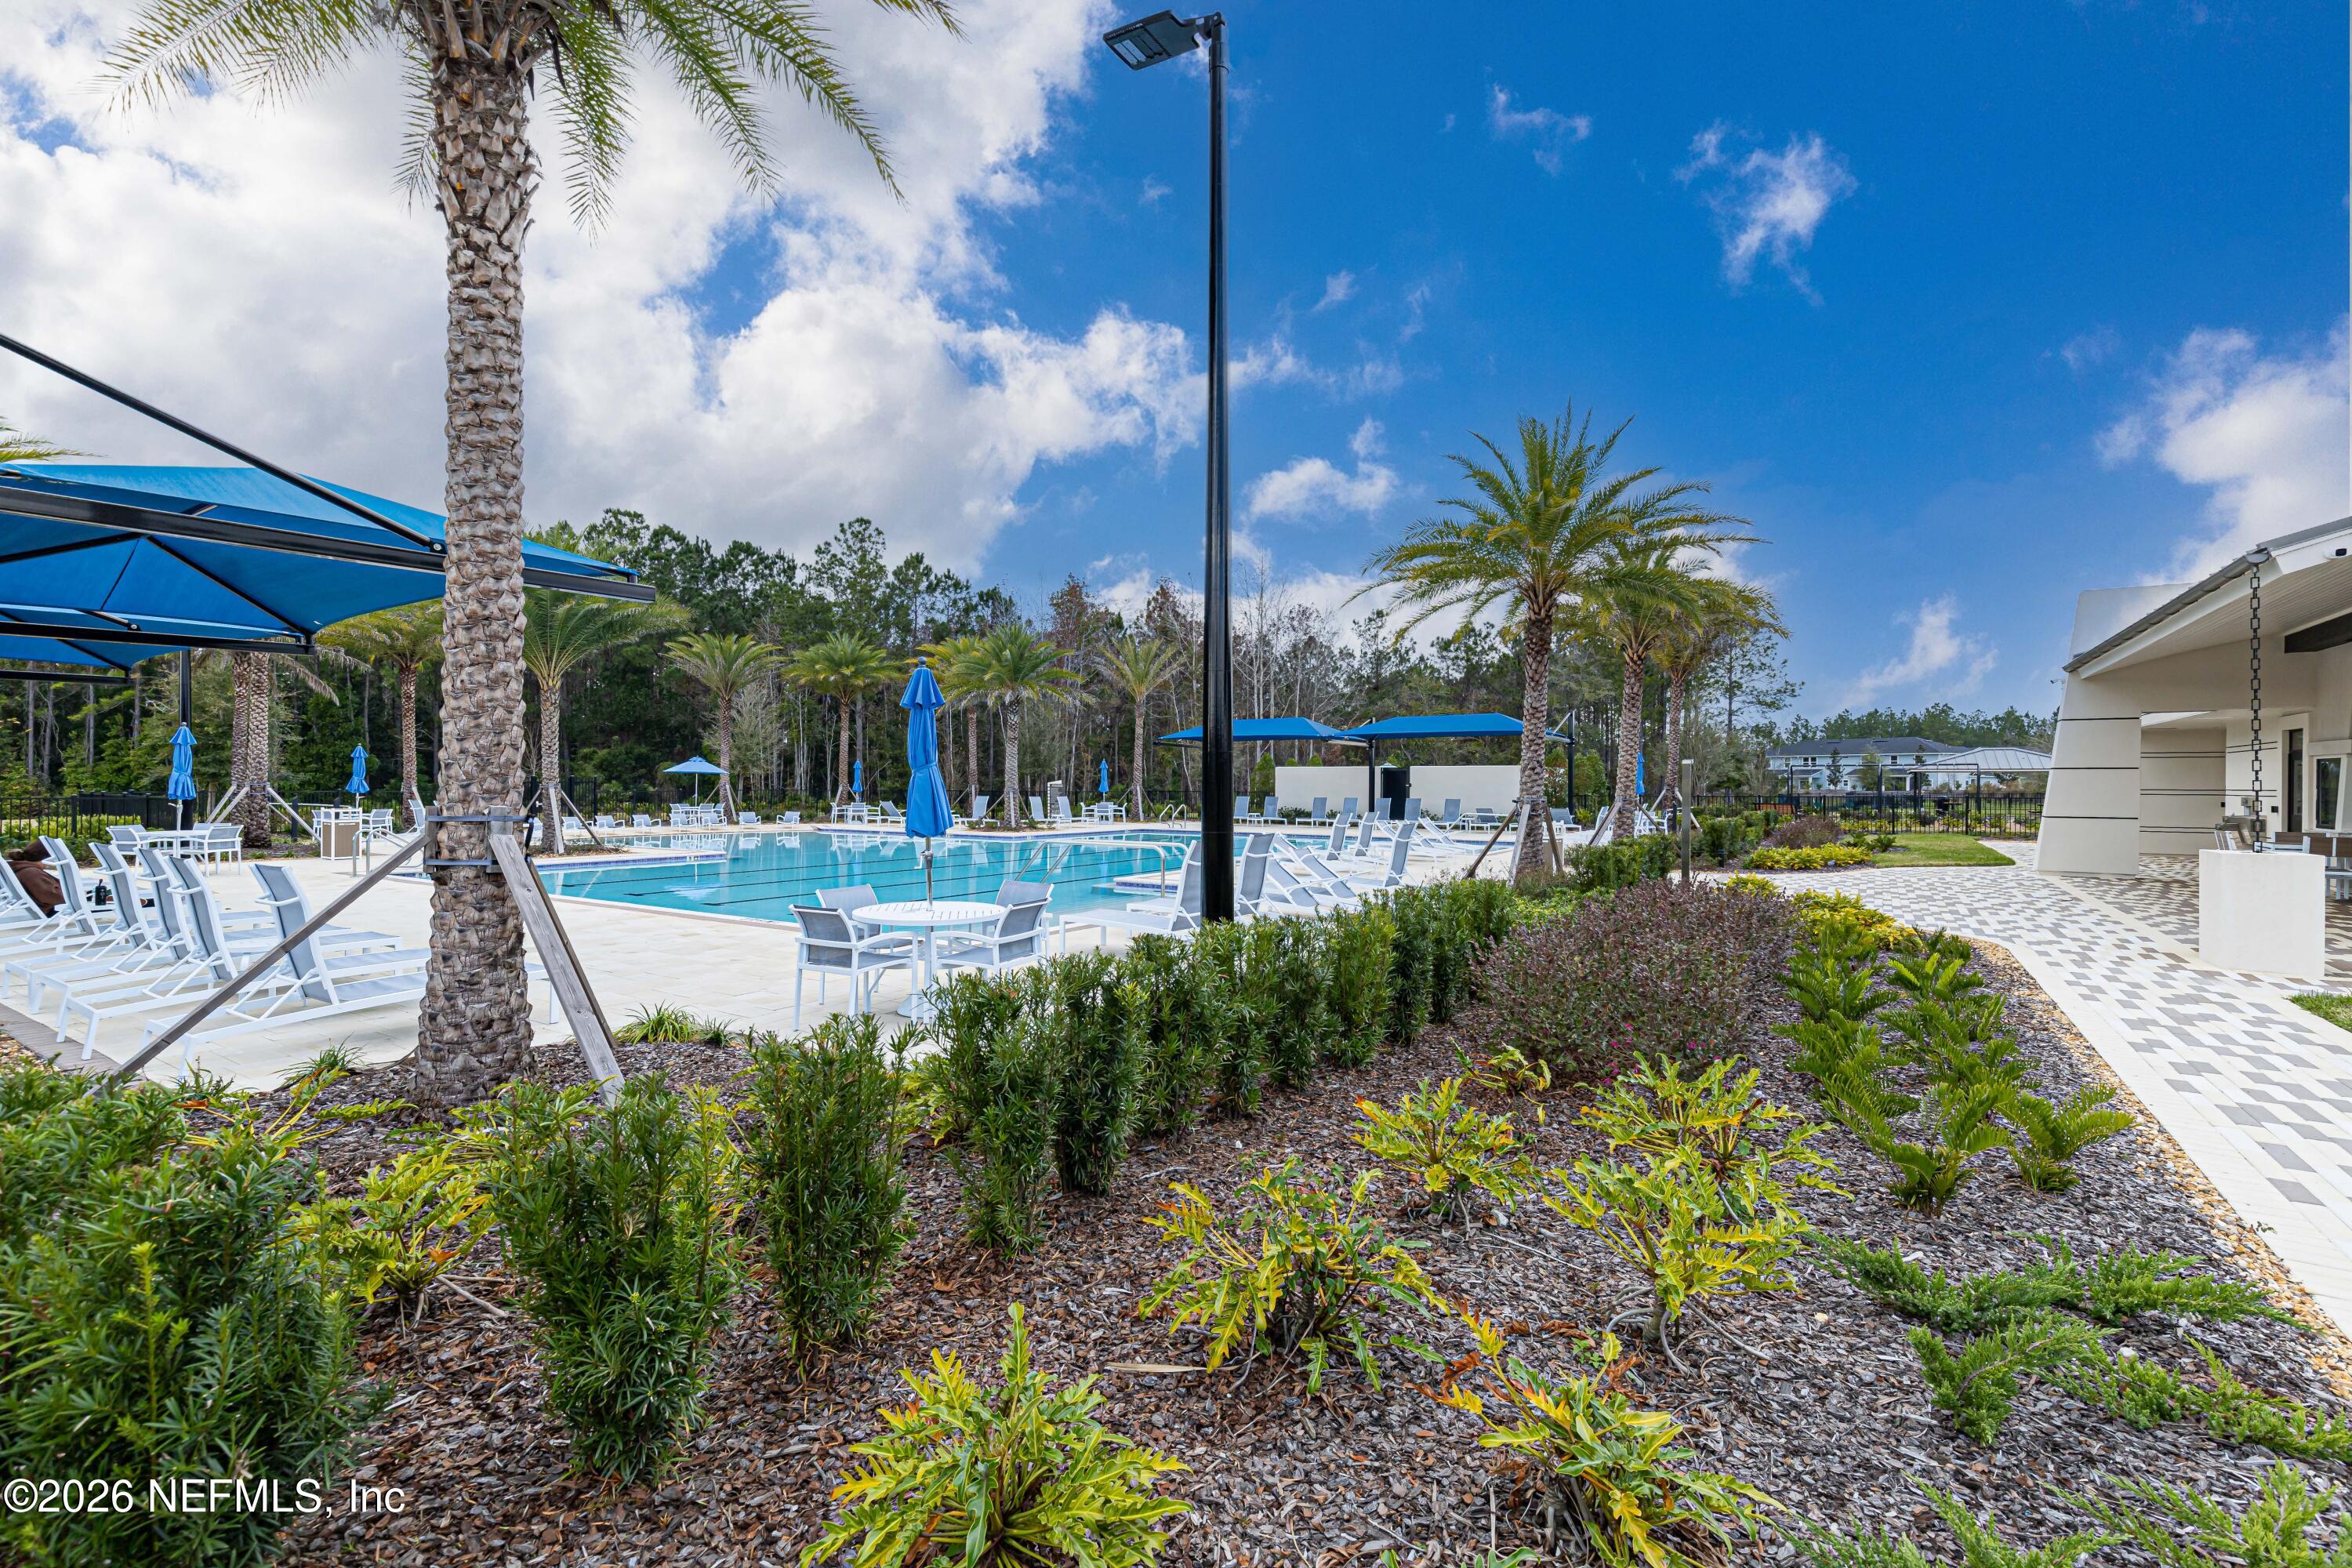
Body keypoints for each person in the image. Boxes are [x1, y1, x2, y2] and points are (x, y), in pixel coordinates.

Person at [5, 844, 60, 915]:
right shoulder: (32, 872)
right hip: (45, 912)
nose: (48, 865)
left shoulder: (21, 869)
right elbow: (53, 896)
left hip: (34, 910)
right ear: (41, 859)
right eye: (49, 860)